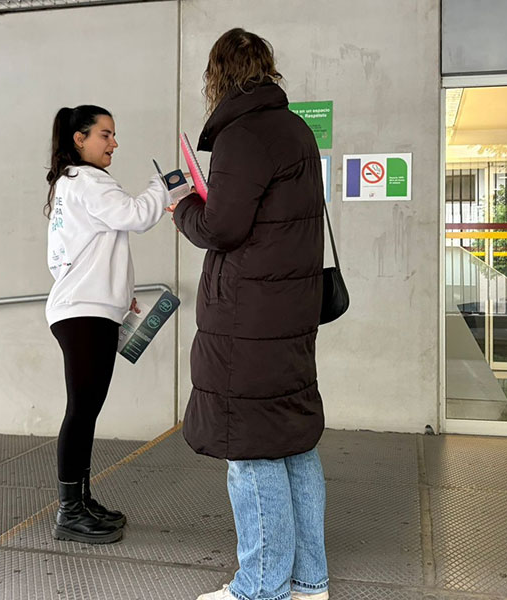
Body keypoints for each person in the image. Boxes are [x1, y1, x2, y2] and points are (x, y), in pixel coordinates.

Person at [172, 29, 329, 600]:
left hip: (248, 318)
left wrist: (183, 204)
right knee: (293, 440)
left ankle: (261, 588)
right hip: (290, 312)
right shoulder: (295, 130)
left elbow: (223, 229)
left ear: (219, 75)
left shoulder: (243, 135)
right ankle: (311, 582)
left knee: (249, 444)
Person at [44, 105, 172, 544]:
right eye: (105, 134)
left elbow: (86, 251)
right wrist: (165, 185)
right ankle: (69, 512)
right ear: (79, 139)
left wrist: (117, 292)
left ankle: (80, 500)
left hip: (86, 308)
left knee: (86, 411)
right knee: (81, 411)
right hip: (84, 312)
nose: (114, 143)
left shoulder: (71, 184)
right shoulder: (87, 180)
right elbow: (136, 216)